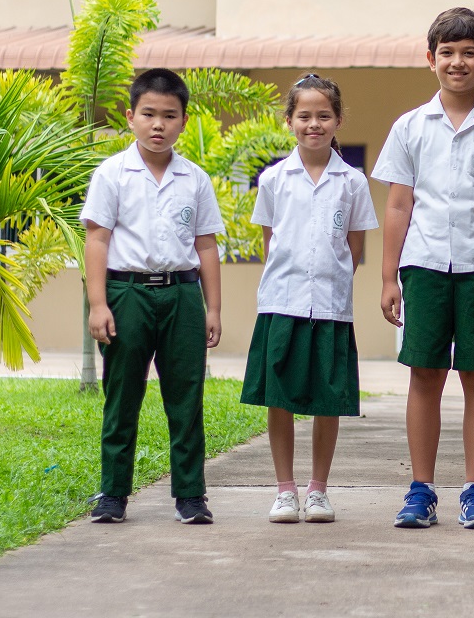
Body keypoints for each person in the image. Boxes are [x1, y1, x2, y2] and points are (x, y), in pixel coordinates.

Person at [372, 7, 474, 530]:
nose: (457, 62)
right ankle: (420, 490)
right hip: (422, 266)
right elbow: (398, 206)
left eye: (469, 53)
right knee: (424, 373)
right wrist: (387, 276)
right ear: (430, 59)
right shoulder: (409, 127)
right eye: (447, 52)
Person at [82, 68, 225, 525]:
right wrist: (99, 303)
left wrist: (213, 308)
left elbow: (205, 245)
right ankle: (112, 494)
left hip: (182, 296)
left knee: (186, 395)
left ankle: (190, 495)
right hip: (128, 293)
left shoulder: (195, 179)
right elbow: (97, 240)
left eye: (169, 115)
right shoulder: (113, 174)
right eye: (148, 114)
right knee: (122, 394)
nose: (158, 124)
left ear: (184, 120)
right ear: (130, 117)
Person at [242, 74, 378, 523]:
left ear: (338, 120)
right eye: (304, 116)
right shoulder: (273, 179)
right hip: (282, 303)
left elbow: (355, 249)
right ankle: (285, 490)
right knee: (278, 398)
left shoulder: (352, 182)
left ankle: (318, 490)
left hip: (332, 308)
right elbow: (270, 242)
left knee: (328, 398)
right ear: (289, 121)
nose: (314, 124)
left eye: (324, 116)